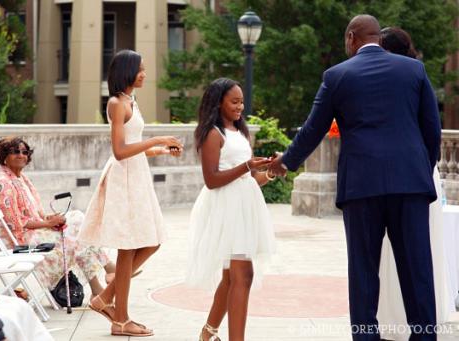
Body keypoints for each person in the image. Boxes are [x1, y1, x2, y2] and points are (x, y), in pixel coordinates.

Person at [267, 15, 441, 341]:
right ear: (377, 36)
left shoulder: (337, 76)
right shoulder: (413, 70)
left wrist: (285, 163)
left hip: (361, 187)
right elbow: (431, 129)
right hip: (410, 185)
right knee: (417, 271)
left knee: (363, 272)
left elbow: (312, 130)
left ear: (351, 38)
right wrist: (419, 171)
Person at [79, 49, 183, 337]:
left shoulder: (130, 101)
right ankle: (120, 319)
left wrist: (159, 150)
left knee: (151, 241)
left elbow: (134, 144)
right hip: (124, 179)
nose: (144, 74)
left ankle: (105, 298)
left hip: (137, 177)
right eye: (140, 69)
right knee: (129, 247)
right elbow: (120, 151)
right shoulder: (116, 103)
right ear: (126, 71)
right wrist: (159, 137)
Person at [376, 27, 454, 340]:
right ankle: (397, 318)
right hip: (415, 173)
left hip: (416, 176)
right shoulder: (413, 75)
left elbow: (431, 131)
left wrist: (424, 167)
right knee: (400, 252)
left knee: (417, 251)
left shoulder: (413, 76)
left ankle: (413, 320)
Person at [186, 78, 276, 341]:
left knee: (231, 278)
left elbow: (247, 178)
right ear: (219, 102)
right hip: (225, 209)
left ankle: (208, 332)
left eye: (241, 101)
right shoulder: (213, 134)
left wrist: (269, 173)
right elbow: (212, 180)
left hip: (245, 208)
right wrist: (246, 167)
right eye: (234, 101)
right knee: (243, 274)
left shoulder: (239, 132)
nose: (240, 106)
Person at [0, 137, 117, 297]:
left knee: (76, 218)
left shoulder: (21, 179)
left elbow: (33, 213)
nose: (21, 155)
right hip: (20, 243)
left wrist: (50, 219)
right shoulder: (4, 184)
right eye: (15, 152)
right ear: (5, 157)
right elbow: (16, 224)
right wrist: (48, 224)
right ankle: (104, 276)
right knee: (74, 238)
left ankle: (102, 281)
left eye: (24, 152)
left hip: (34, 234)